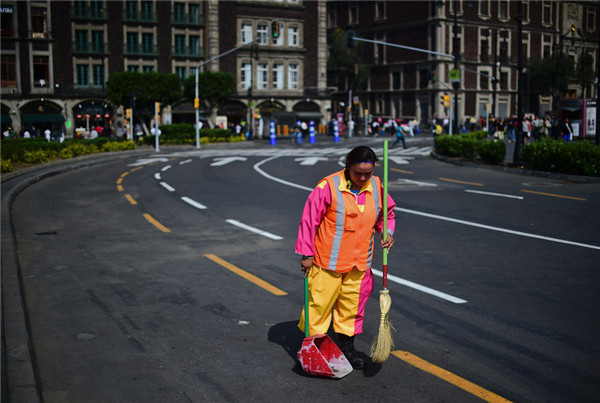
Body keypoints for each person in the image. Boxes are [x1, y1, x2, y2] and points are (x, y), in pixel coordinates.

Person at [295, 146, 396, 370]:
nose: (362, 178)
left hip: (360, 264)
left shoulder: (378, 187)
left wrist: (387, 232)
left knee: (351, 309)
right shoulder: (328, 186)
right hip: (327, 262)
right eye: (357, 173)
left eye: (367, 174)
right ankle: (313, 350)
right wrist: (307, 254)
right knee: (318, 307)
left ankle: (347, 350)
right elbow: (309, 220)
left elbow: (386, 215)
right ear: (348, 165)